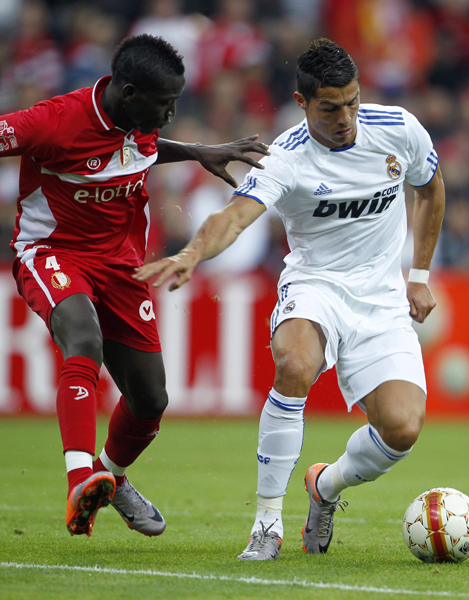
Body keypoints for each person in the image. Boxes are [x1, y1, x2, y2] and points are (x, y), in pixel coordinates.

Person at [135, 38, 445, 560]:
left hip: (382, 299)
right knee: (295, 363)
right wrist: (191, 252)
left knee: (402, 428)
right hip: (315, 286)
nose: (346, 117)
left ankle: (324, 486)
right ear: (303, 103)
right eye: (331, 107)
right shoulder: (288, 155)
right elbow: (233, 216)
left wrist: (419, 275)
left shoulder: (398, 128)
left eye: (352, 101)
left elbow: (431, 188)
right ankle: (267, 525)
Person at [4, 33, 269, 538]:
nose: (171, 112)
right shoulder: (54, 120)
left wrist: (196, 151)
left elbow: (140, 148)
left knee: (150, 400)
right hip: (53, 253)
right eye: (165, 103)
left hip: (123, 265)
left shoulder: (135, 119)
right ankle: (79, 479)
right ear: (129, 95)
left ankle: (109, 475)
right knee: (82, 340)